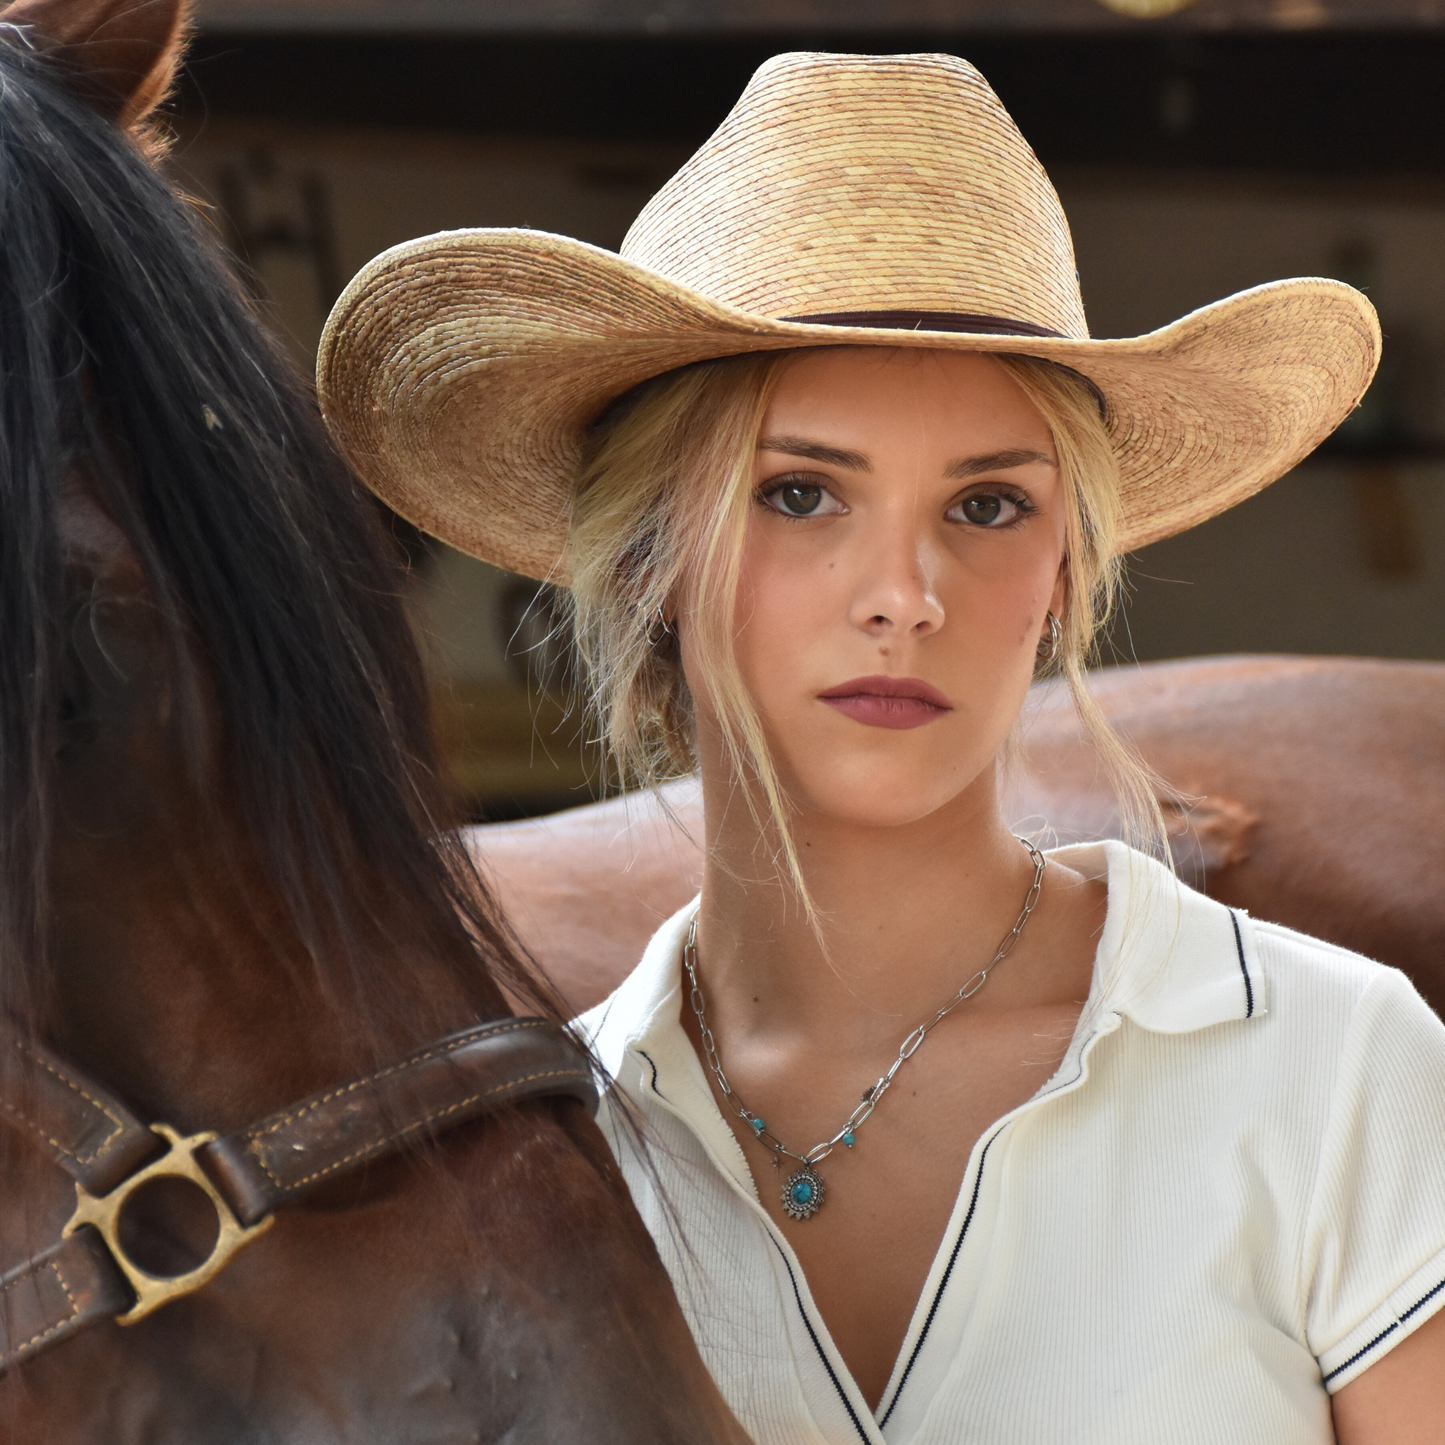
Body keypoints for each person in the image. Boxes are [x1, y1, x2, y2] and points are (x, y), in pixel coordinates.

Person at [317, 50, 1445, 1445]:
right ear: (649, 566)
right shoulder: (552, 1162)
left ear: (1065, 577)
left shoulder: (1331, 1058)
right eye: (800, 493)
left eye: (987, 507)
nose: (904, 592)